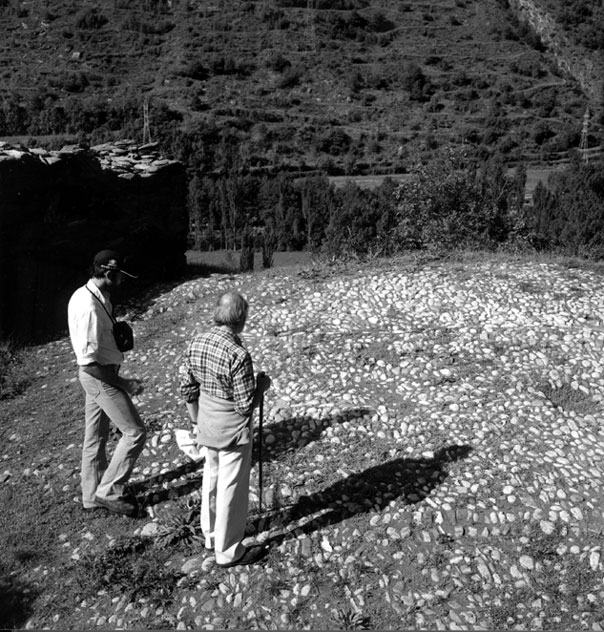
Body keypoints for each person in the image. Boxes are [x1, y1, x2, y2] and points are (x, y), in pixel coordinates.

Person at [179, 291, 271, 568]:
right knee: (231, 487)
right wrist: (262, 388)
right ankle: (228, 550)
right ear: (241, 319)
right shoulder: (238, 354)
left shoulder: (196, 342)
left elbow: (187, 388)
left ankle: (210, 535)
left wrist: (196, 422)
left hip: (207, 422)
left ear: (217, 314)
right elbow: (244, 406)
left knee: (212, 477)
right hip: (232, 429)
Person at [67, 249, 146, 517]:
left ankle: (91, 497)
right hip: (99, 376)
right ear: (109, 273)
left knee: (96, 437)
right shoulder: (90, 308)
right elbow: (88, 362)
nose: (122, 282)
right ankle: (109, 490)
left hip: (98, 374)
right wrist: (125, 383)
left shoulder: (90, 295)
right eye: (120, 276)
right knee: (135, 432)